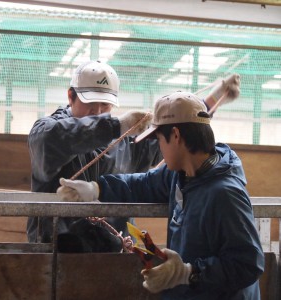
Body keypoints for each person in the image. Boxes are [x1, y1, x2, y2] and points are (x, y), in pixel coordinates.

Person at [57, 91, 264, 299]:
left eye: (159, 140)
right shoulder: (180, 174)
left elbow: (248, 263)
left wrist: (189, 273)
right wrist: (96, 188)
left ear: (175, 135)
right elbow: (143, 183)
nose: (160, 149)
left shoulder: (225, 194)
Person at [27, 59, 240, 251]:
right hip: (59, 251)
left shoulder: (126, 141)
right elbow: (58, 138)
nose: (98, 110)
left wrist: (214, 100)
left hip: (115, 250)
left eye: (105, 104)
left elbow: (170, 137)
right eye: (90, 103)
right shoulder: (47, 132)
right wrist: (115, 126)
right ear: (70, 96)